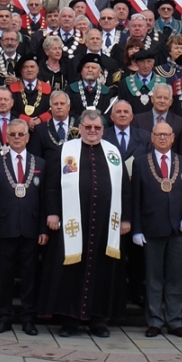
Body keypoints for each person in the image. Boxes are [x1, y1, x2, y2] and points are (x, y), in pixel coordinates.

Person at [38, 110, 131, 337]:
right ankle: (70, 319)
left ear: (102, 129)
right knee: (71, 271)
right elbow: (50, 186)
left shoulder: (113, 153)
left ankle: (97, 320)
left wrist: (126, 218)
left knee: (102, 270)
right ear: (79, 128)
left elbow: (125, 189)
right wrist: (52, 214)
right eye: (88, 128)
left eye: (97, 128)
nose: (92, 132)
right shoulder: (65, 152)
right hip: (73, 222)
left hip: (104, 224)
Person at [131, 121, 182, 338]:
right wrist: (137, 229)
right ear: (152, 138)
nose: (162, 138)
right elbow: (135, 199)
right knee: (153, 277)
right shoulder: (141, 163)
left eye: (166, 135)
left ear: (173, 138)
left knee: (175, 277)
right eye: (158, 135)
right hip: (152, 228)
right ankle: (154, 321)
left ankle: (175, 321)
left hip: (179, 229)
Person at [0, 119, 46, 336]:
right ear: (6, 138)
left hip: (31, 229)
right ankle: (4, 317)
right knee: (6, 276)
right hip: (5, 228)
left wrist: (43, 230)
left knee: (29, 276)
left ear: (28, 138)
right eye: (13, 135)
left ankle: (28, 318)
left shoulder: (39, 163)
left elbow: (44, 199)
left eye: (21, 134)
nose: (17, 138)